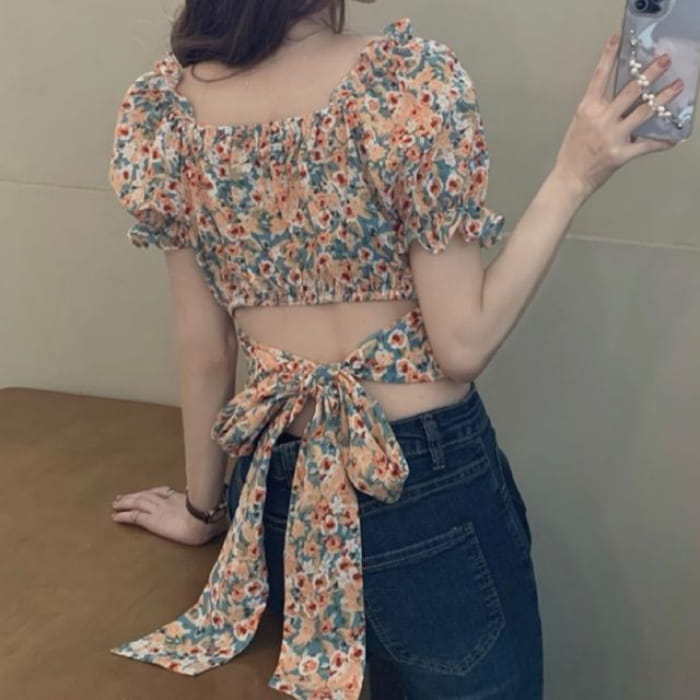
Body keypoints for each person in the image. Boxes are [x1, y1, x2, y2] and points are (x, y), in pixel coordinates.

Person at [108, 1, 681, 698]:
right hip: (420, 477)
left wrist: (203, 512)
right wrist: (572, 175)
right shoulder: (404, 82)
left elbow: (205, 349)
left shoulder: (167, 109)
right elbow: (462, 344)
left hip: (283, 484)